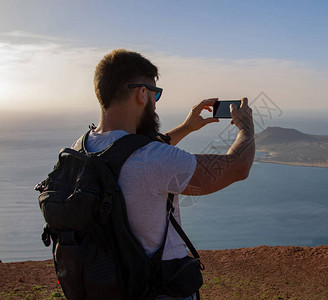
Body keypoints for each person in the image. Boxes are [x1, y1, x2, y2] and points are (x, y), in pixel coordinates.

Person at [74, 49, 255, 299]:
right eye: (155, 94)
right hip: (157, 288)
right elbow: (238, 166)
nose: (155, 102)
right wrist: (246, 128)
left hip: (107, 284)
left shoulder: (81, 149)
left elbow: (128, 153)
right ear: (141, 93)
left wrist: (186, 128)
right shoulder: (151, 160)